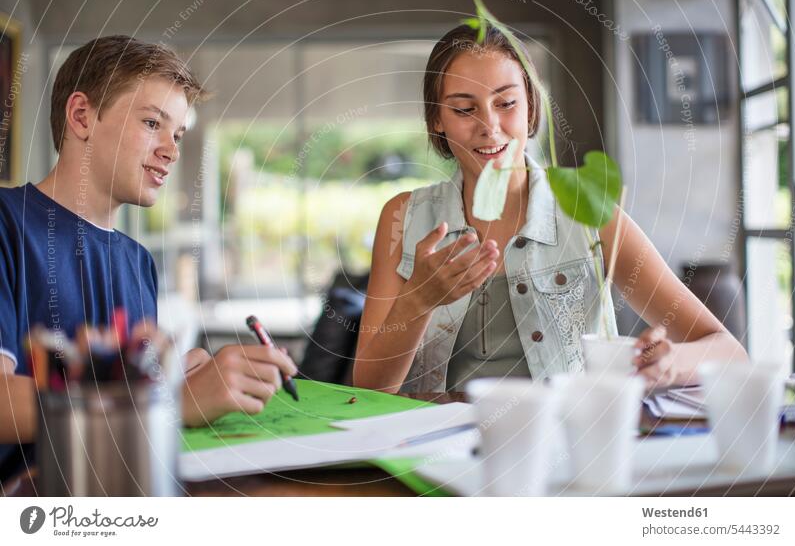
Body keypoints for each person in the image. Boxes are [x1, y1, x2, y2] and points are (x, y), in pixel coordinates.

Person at [353, 24, 747, 394]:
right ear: (437, 118)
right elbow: (370, 388)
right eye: (463, 109)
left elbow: (728, 352)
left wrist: (671, 362)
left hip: (567, 448)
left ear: (530, 108)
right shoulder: (403, 216)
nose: (490, 126)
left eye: (506, 102)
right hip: (437, 455)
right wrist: (418, 301)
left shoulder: (590, 214)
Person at [0, 36, 297, 475]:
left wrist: (172, 376)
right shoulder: (7, 224)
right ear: (81, 116)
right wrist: (166, 400)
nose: (172, 151)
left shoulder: (138, 262)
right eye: (153, 124)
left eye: (177, 134)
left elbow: (119, 382)